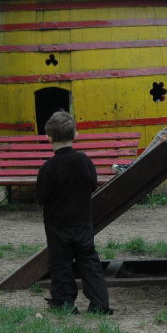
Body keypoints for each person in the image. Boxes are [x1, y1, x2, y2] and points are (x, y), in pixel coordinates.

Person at [36, 111, 112, 314]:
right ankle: (100, 304)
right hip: (82, 221)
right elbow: (92, 185)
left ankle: (64, 302)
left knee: (60, 263)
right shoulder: (84, 161)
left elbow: (41, 196)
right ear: (75, 135)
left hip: (56, 224)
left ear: (48, 138)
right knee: (89, 261)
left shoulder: (48, 167)